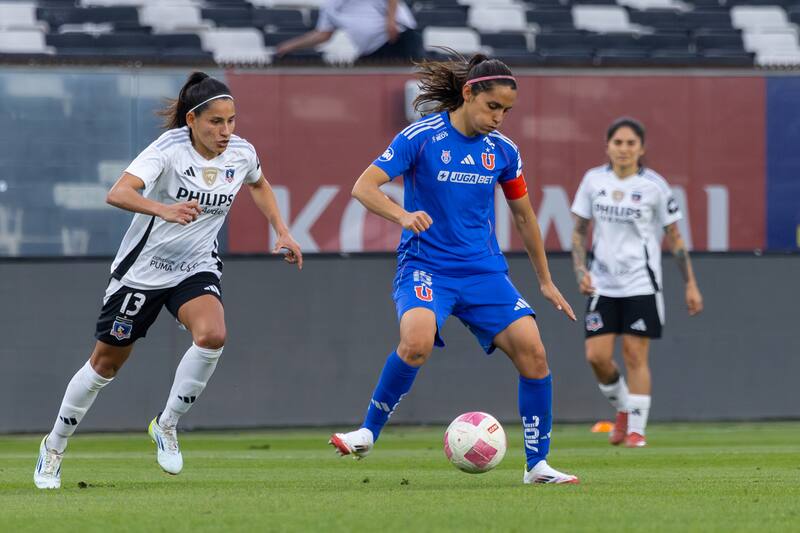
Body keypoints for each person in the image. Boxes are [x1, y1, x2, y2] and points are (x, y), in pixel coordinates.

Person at [34, 72, 302, 489]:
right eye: (216, 122)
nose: (226, 131)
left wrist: (281, 229)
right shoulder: (168, 150)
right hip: (142, 273)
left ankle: (167, 424)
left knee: (213, 335)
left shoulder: (242, 153)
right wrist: (165, 209)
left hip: (195, 266)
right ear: (192, 120)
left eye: (231, 120)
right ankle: (53, 447)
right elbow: (118, 192)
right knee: (105, 366)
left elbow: (260, 184)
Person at [329, 53, 579, 485]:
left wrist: (545, 279)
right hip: (426, 266)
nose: (499, 118)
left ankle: (537, 465)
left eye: (506, 110)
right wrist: (402, 216)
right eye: (492, 107)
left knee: (534, 353)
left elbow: (524, 216)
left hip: (483, 273)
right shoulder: (420, 137)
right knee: (416, 342)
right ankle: (367, 432)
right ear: (469, 94)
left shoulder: (503, 151)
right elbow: (363, 187)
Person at [570, 117, 703, 448]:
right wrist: (579, 270)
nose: (624, 149)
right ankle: (625, 409)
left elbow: (675, 237)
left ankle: (636, 432)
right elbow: (578, 230)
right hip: (601, 283)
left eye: (631, 143)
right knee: (596, 356)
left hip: (642, 284)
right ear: (608, 146)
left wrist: (690, 284)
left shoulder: (654, 186)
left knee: (634, 354)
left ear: (641, 148)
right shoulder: (592, 180)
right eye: (618, 142)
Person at [275, 0, 423, 64]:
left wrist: (390, 21)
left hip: (399, 40)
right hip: (372, 52)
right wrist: (289, 46)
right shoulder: (330, 6)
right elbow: (323, 34)